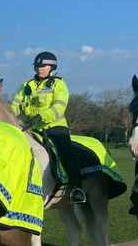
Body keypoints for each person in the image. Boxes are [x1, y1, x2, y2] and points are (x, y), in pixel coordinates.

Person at [10, 51, 87, 203]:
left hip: (54, 127)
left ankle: (78, 189)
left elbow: (59, 105)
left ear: (51, 67)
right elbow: (15, 105)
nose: (40, 68)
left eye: (43, 66)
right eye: (38, 66)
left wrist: (42, 116)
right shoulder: (27, 86)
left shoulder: (58, 83)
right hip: (33, 128)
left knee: (67, 153)